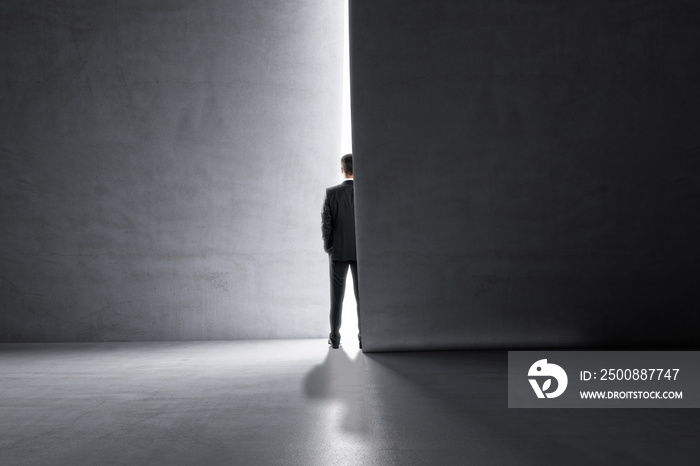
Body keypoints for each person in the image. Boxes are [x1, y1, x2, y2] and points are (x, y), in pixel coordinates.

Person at [322, 154, 360, 349]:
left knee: (336, 297)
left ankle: (335, 339)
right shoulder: (365, 192)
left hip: (338, 252)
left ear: (342, 169)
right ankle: (364, 338)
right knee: (362, 297)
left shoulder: (331, 193)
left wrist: (329, 247)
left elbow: (326, 226)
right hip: (361, 252)